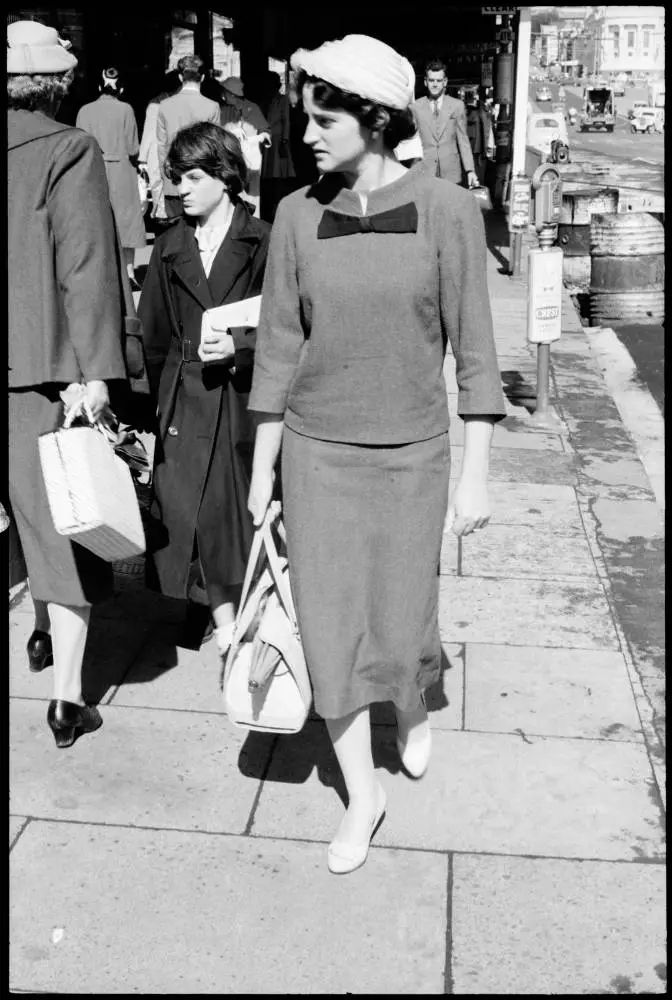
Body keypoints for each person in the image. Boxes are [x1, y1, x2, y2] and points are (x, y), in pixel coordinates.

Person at [247, 33, 506, 874]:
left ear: (376, 117)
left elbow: (473, 351)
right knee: (330, 632)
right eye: (304, 117)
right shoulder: (293, 215)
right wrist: (261, 469)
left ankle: (414, 699)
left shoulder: (449, 210)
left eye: (325, 119)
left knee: (400, 619)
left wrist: (477, 472)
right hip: (317, 456)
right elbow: (279, 347)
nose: (307, 134)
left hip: (413, 455)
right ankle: (364, 794)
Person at [7, 21, 128, 747]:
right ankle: (65, 700)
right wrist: (93, 371)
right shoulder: (67, 149)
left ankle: (41, 629)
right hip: (39, 369)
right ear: (55, 85)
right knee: (58, 528)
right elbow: (85, 269)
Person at [137, 122, 270, 658]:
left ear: (224, 176)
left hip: (243, 397)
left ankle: (228, 611)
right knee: (184, 509)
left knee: (229, 510)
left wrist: (241, 348)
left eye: (193, 177)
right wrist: (145, 402)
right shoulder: (170, 244)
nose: (181, 189)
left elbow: (293, 325)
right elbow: (152, 332)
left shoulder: (263, 240)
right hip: (184, 397)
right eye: (176, 179)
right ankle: (211, 608)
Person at [76, 68, 146, 290]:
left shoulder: (85, 111)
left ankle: (101, 272)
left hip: (93, 169)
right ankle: (129, 272)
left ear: (98, 86)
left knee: (96, 218)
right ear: (121, 88)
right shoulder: (126, 109)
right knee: (126, 220)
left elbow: (79, 144)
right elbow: (133, 146)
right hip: (122, 169)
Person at [156, 55, 221, 219]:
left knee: (175, 233)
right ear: (203, 78)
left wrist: (167, 176)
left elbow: (162, 147)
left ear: (180, 77)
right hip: (202, 179)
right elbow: (215, 148)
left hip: (174, 179)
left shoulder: (164, 106)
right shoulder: (212, 107)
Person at [411, 58, 478, 187]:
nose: (435, 84)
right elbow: (412, 141)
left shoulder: (456, 106)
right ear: (425, 82)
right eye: (431, 80)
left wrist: (470, 170)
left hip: (451, 172)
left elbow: (463, 140)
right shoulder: (416, 107)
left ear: (445, 82)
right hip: (425, 171)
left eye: (438, 80)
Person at [217, 76, 271, 217]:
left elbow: (266, 131)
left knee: (253, 197)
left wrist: (256, 138)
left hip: (252, 160)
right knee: (233, 195)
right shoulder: (223, 110)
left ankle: (254, 225)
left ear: (232, 94)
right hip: (232, 161)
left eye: (225, 92)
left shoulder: (252, 108)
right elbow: (217, 133)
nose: (222, 95)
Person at [138, 70, 181, 225]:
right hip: (175, 151)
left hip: (157, 153)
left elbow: (148, 134)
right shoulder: (177, 102)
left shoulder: (155, 104)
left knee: (159, 191)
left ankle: (163, 220)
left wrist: (142, 158)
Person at [259, 70, 297, 223]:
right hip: (265, 139)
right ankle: (269, 204)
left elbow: (286, 120)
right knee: (267, 174)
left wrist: (285, 141)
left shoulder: (282, 100)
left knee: (278, 174)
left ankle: (277, 204)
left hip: (278, 140)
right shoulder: (263, 100)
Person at [465, 86, 495, 186]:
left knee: (475, 179)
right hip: (475, 152)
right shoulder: (482, 115)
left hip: (476, 152)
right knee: (477, 179)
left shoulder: (481, 114)